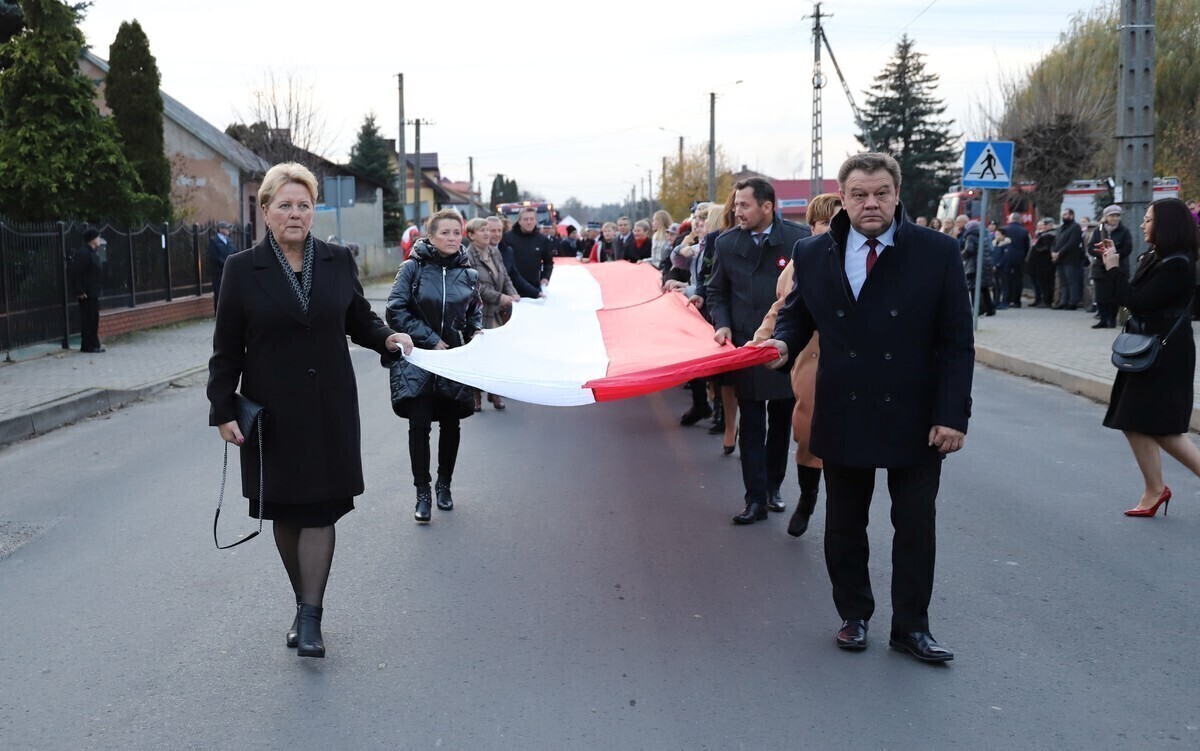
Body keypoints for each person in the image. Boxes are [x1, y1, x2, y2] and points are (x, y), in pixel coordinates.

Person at [762, 152, 974, 663]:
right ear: (844, 197)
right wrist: (783, 345)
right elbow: (797, 316)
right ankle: (853, 616)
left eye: (881, 193)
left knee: (916, 525)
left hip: (917, 413)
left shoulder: (937, 252)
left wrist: (952, 415)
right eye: (859, 194)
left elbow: (956, 343)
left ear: (898, 195)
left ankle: (911, 628)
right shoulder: (814, 254)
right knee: (844, 522)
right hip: (846, 406)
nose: (870, 203)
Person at [207, 162, 413, 659]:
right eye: (285, 205)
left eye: (304, 205)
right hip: (273, 411)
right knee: (285, 511)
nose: (295, 213)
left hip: (329, 407)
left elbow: (358, 317)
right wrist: (221, 409)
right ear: (266, 211)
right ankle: (302, 604)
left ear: (314, 210)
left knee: (321, 509)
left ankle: (311, 617)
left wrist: (387, 337)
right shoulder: (240, 268)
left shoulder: (339, 260)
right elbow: (227, 347)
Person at [706, 176, 809, 525]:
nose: (737, 211)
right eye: (736, 205)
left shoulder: (798, 240)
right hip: (746, 346)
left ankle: (773, 487)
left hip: (783, 345)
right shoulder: (725, 243)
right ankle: (755, 499)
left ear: (767, 206)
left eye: (744, 205)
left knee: (781, 421)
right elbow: (716, 291)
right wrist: (721, 323)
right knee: (752, 425)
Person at [1099, 198, 1200, 517]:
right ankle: (1155, 489)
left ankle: (1155, 489)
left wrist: (1113, 268)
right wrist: (1111, 265)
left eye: (1148, 219)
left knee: (1164, 428)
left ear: (1166, 225)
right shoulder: (1157, 257)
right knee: (1133, 419)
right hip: (1149, 346)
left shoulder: (1178, 264)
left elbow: (1137, 301)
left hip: (1165, 351)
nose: (1142, 224)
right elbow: (1130, 298)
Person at [750, 193, 841, 538]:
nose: (832, 230)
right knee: (806, 432)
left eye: (838, 222)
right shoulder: (802, 261)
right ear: (812, 227)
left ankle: (840, 511)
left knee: (846, 436)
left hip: (851, 359)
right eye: (825, 224)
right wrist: (759, 341)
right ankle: (808, 497)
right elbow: (782, 307)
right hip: (811, 356)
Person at [387, 208, 483, 523]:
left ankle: (445, 486)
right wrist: (429, 338)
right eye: (445, 232)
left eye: (457, 233)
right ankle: (422, 493)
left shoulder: (469, 274)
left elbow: (473, 315)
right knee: (420, 425)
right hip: (419, 359)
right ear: (430, 236)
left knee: (451, 425)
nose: (452, 238)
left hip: (453, 362)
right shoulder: (412, 268)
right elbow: (396, 309)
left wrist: (476, 335)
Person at [465, 217, 518, 410]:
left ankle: (494, 392)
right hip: (479, 313)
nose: (488, 233)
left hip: (498, 313)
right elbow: (476, 286)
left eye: (489, 229)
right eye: (482, 230)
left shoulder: (495, 252)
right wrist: (500, 297)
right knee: (479, 356)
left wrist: (512, 293)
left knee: (497, 354)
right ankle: (476, 393)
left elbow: (505, 276)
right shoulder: (468, 256)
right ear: (471, 235)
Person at [1087, 205, 1133, 329]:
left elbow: (1128, 248)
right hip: (1100, 268)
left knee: (1114, 296)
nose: (1115, 218)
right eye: (1112, 215)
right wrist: (1101, 253)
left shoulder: (1124, 231)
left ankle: (1112, 320)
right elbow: (1090, 247)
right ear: (1106, 217)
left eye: (1117, 216)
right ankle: (1103, 319)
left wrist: (1114, 254)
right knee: (1101, 295)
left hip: (1118, 266)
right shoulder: (1098, 230)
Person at [502, 206, 554, 299]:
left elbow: (548, 262)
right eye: (525, 219)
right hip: (510, 289)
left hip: (533, 288)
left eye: (531, 219)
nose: (529, 222)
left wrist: (546, 277)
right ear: (519, 221)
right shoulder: (506, 238)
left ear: (536, 221)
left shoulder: (542, 240)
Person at [69, 228, 105, 353]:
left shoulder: (92, 252)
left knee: (93, 319)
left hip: (93, 291)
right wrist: (79, 290)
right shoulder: (83, 253)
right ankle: (88, 346)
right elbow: (77, 273)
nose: (99, 239)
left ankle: (94, 344)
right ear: (92, 239)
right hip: (86, 293)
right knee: (88, 319)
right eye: (97, 237)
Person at [962, 220, 996, 316]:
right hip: (984, 264)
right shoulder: (983, 234)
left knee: (973, 288)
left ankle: (977, 309)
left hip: (974, 265)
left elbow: (969, 249)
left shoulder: (971, 236)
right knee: (984, 289)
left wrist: (961, 255)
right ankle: (990, 309)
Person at [1052, 207, 1084, 309]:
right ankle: (1063, 301)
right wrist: (1053, 252)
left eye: (1065, 214)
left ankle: (1073, 301)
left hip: (1070, 259)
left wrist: (1059, 253)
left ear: (1071, 215)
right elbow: (1055, 242)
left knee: (1072, 281)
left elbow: (1072, 243)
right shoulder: (1061, 228)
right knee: (1063, 282)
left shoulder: (1075, 227)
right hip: (1059, 259)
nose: (1063, 216)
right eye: (1063, 214)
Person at [208, 221, 238, 309]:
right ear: (220, 229)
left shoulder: (229, 241)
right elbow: (215, 257)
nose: (228, 230)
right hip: (219, 272)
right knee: (219, 293)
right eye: (226, 228)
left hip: (229, 272)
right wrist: (226, 263)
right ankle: (219, 314)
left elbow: (235, 252)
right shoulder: (214, 241)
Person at [1003, 213, 1031, 307]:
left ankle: (1006, 299)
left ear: (1010, 219)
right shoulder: (1024, 231)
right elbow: (1027, 246)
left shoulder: (1005, 229)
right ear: (1020, 220)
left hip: (1006, 257)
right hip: (1019, 257)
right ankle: (1016, 301)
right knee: (1018, 279)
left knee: (1006, 279)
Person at [1029, 218, 1057, 307]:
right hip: (1037, 263)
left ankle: (1046, 300)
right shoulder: (1041, 235)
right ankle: (1039, 299)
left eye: (1045, 225)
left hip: (1045, 263)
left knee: (1046, 283)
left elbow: (1046, 248)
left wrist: (1037, 248)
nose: (1043, 227)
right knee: (1039, 283)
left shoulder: (1051, 235)